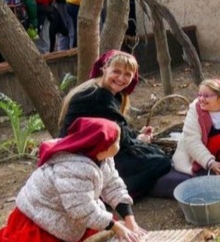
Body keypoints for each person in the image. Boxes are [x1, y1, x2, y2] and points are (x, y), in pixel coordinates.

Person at [0, 117, 145, 242]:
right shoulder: (72, 169)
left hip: (69, 212)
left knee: (103, 232)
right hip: (40, 220)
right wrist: (116, 227)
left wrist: (130, 221)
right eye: (116, 141)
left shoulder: (103, 158)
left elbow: (113, 186)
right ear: (104, 146)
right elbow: (81, 209)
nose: (119, 143)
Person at [59, 50, 172, 198]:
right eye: (116, 71)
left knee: (153, 152)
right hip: (84, 158)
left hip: (88, 152)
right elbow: (119, 138)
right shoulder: (98, 97)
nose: (121, 78)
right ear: (104, 69)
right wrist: (140, 140)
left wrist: (137, 135)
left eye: (127, 74)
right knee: (160, 160)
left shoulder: (99, 91)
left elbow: (116, 126)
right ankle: (109, 193)